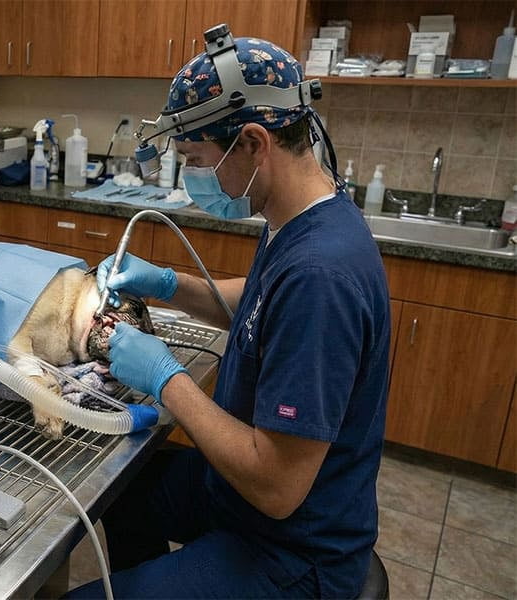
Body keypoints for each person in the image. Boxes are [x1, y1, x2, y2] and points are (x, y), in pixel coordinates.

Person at [65, 28, 391, 599]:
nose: (192, 181)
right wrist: (170, 284)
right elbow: (263, 301)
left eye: (194, 160)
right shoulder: (297, 218)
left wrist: (168, 380)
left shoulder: (323, 276)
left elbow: (276, 485)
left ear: (253, 143)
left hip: (292, 549)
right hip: (243, 501)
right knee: (117, 491)